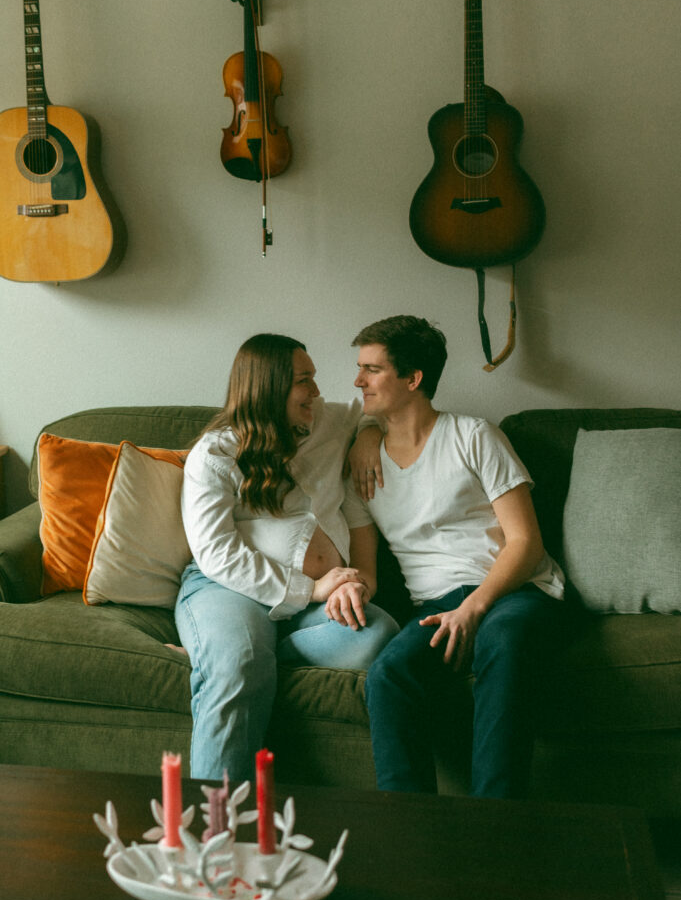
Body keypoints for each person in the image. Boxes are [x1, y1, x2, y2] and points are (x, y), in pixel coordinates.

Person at [342, 315, 570, 799]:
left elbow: (525, 542)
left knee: (503, 641)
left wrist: (475, 607)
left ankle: (495, 822)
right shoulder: (360, 468)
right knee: (387, 676)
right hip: (433, 605)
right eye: (359, 368)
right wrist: (346, 587)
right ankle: (413, 828)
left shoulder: (474, 436)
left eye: (372, 369)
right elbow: (367, 570)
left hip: (516, 591)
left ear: (413, 378)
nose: (358, 380)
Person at [175, 333, 399, 783]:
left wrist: (368, 436)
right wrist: (311, 588)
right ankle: (215, 827)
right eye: (304, 380)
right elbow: (217, 552)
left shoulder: (326, 422)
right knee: (238, 665)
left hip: (313, 607)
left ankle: (240, 648)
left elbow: (370, 415)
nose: (316, 391)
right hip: (227, 589)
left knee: (377, 635)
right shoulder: (216, 453)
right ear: (268, 386)